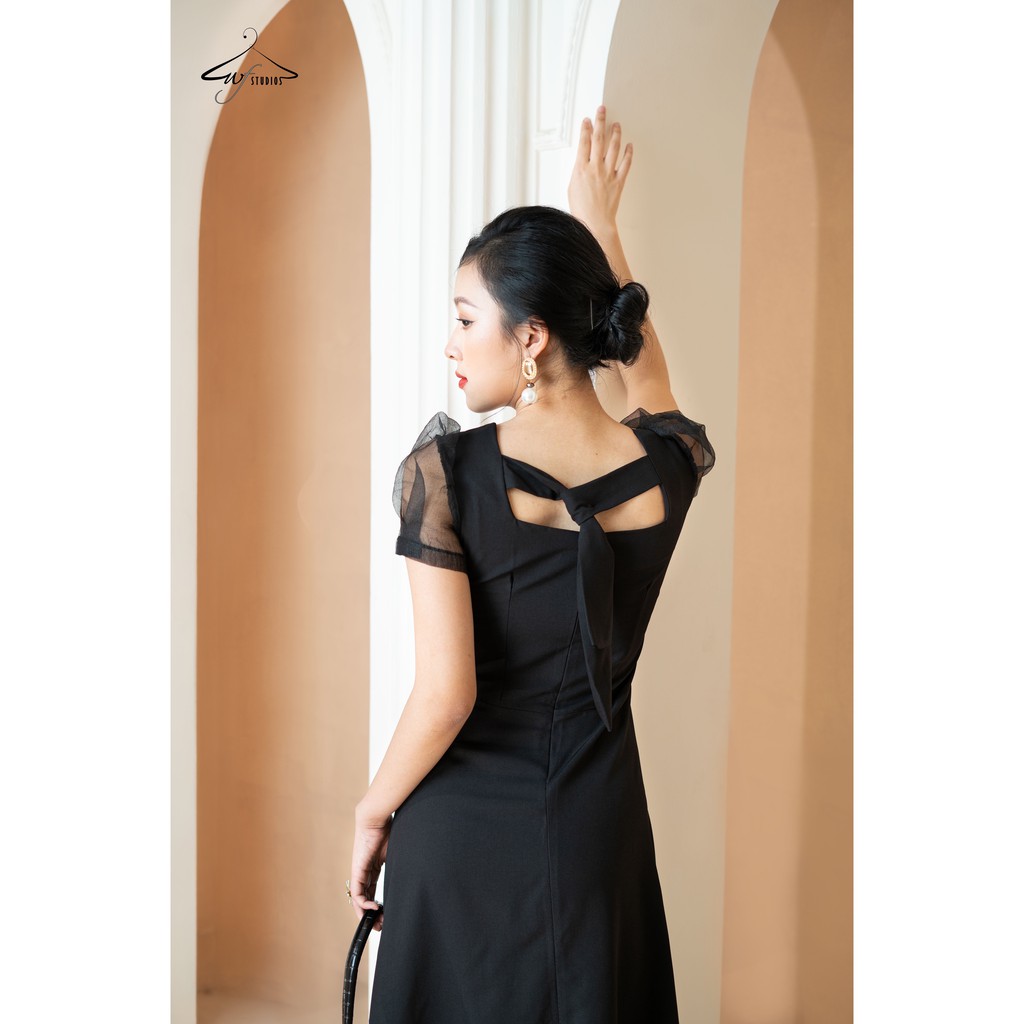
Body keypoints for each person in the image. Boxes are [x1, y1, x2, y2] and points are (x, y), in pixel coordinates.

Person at [348, 105, 715, 1023]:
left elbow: (447, 696)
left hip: (461, 838)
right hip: (598, 835)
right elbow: (647, 377)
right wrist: (601, 230)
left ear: (532, 336)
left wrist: (372, 811)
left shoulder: (446, 476)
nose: (450, 342)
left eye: (466, 317)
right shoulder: (667, 467)